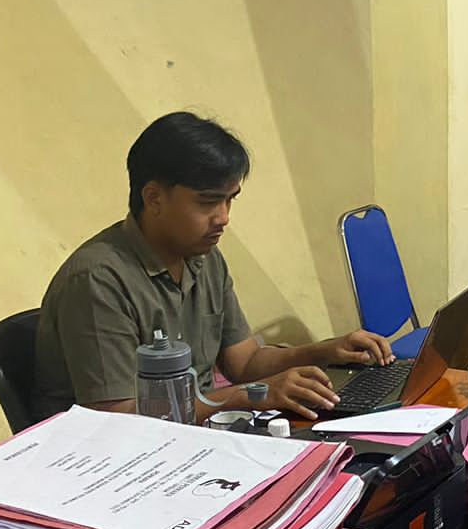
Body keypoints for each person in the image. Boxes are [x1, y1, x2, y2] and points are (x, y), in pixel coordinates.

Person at [32, 112, 394, 422]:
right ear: (154, 197)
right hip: (120, 464)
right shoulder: (99, 279)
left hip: (195, 434)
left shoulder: (203, 258)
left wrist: (324, 351)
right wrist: (247, 395)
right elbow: (115, 416)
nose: (223, 218)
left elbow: (245, 362)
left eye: (229, 200)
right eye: (208, 202)